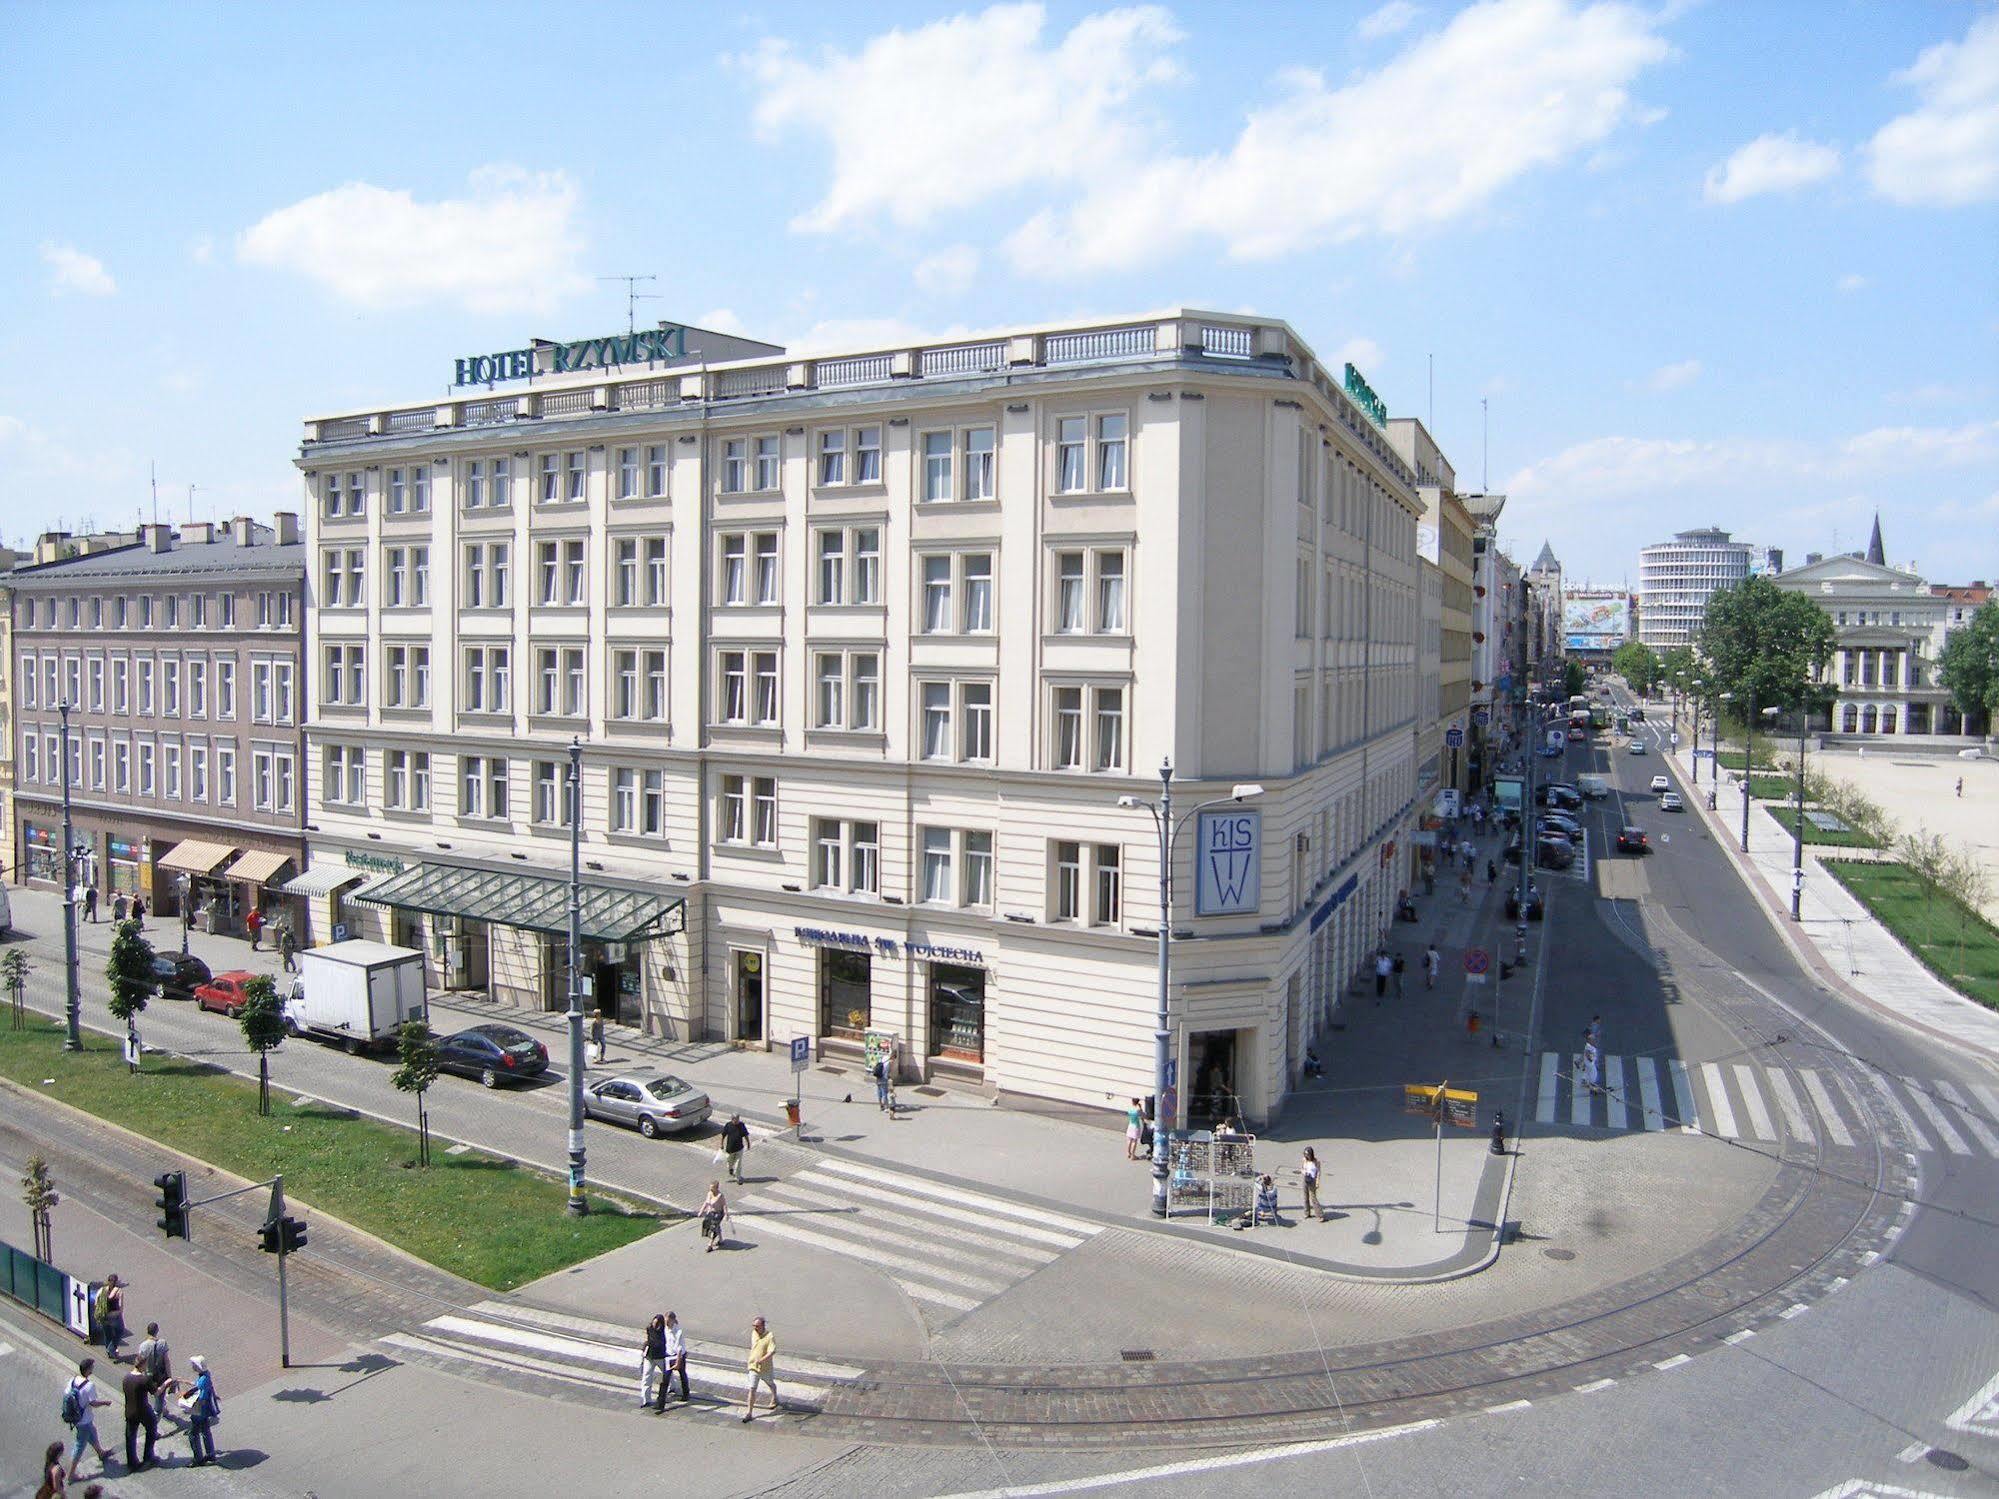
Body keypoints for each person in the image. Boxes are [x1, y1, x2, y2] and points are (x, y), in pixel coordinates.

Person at [61, 1358, 113, 1482]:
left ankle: (101, 1453)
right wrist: (105, 1402)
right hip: (84, 1420)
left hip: (76, 1418)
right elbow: (93, 1403)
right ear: (88, 1369)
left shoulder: (73, 1380)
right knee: (80, 1445)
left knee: (92, 1433)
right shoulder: (89, 1385)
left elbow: (66, 1393)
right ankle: (71, 1474)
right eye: (92, 1367)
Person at [182, 1356, 218, 1466]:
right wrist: (185, 1382)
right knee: (206, 1431)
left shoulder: (203, 1380)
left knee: (193, 1434)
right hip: (205, 1411)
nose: (192, 1366)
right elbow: (199, 1386)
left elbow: (200, 1397)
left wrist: (189, 1406)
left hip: (199, 1412)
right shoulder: (206, 1375)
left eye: (194, 1365)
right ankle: (210, 1454)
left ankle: (198, 1458)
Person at [121, 1363, 157, 1472]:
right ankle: (148, 1456)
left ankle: (132, 1462)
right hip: (143, 1411)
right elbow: (156, 1392)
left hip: (130, 1411)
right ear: (142, 1366)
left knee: (130, 1437)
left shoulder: (126, 1378)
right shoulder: (144, 1379)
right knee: (152, 1431)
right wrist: (166, 1383)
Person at [135, 1322, 174, 1424]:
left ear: (147, 1332)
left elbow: (139, 1362)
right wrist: (170, 1376)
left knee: (150, 1396)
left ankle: (163, 1410)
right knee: (159, 1400)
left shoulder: (143, 1346)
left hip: (147, 1376)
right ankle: (153, 1427)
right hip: (161, 1376)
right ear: (157, 1331)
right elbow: (166, 1361)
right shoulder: (162, 1343)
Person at [742, 1316, 779, 1422]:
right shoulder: (754, 1333)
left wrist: (762, 1359)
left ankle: (775, 1397)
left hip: (765, 1368)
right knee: (752, 1389)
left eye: (757, 1326)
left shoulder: (770, 1336)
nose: (755, 1328)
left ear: (763, 1326)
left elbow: (772, 1351)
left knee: (770, 1383)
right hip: (753, 1366)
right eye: (754, 1326)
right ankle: (749, 1412)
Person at [658, 1311, 689, 1406]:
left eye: (668, 1321)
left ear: (673, 1320)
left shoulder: (678, 1331)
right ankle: (661, 1401)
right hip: (668, 1356)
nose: (666, 1323)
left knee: (682, 1374)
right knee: (665, 1378)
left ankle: (686, 1393)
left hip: (678, 1356)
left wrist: (678, 1362)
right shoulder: (664, 1328)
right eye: (665, 1320)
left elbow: (679, 1348)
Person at [639, 1314, 668, 1409]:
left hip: (660, 1357)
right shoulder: (650, 1328)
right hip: (650, 1357)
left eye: (656, 1323)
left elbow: (659, 1343)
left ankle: (673, 1386)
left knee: (667, 1373)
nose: (654, 1325)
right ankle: (646, 1399)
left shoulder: (663, 1332)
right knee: (646, 1376)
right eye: (653, 1322)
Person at [94, 1275, 125, 1361]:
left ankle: (110, 1353)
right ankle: (111, 1349)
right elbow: (120, 1307)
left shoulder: (102, 1290)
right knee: (120, 1331)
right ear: (116, 1282)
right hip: (114, 1316)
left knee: (107, 1334)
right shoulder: (119, 1291)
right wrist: (117, 1313)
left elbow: (96, 1303)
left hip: (103, 1316)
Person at [720, 1113, 750, 1183]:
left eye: (738, 1119)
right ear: (732, 1119)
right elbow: (723, 1135)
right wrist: (721, 1144)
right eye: (735, 1120)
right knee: (730, 1162)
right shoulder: (728, 1125)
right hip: (730, 1149)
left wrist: (748, 1143)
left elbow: (745, 1135)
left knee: (738, 1164)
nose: (737, 1121)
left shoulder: (742, 1125)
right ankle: (730, 1169)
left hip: (739, 1148)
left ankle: (738, 1178)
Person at [699, 1181, 728, 1252]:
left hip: (718, 1214)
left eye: (712, 1188)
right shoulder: (709, 1193)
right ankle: (721, 1240)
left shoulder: (720, 1196)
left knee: (713, 1229)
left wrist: (726, 1214)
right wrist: (701, 1211)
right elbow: (706, 1202)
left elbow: (724, 1205)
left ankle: (710, 1245)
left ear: (716, 1188)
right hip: (710, 1212)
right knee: (710, 1225)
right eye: (710, 1187)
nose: (710, 1189)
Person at [1301, 1146, 1323, 1222]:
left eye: (1307, 1154)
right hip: (1305, 1179)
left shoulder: (1316, 1162)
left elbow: (1319, 1172)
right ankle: (1307, 1213)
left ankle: (1320, 1215)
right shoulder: (1304, 1160)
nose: (1306, 1156)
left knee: (1313, 1198)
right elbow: (1302, 1168)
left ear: (1311, 1154)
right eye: (1305, 1154)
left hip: (1312, 1180)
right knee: (1305, 1197)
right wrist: (1304, 1172)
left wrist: (1317, 1182)